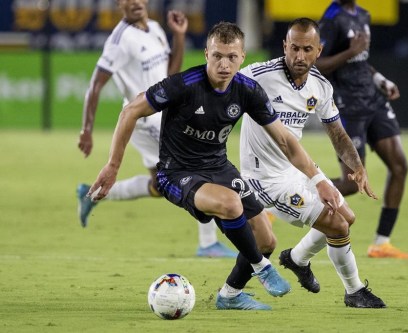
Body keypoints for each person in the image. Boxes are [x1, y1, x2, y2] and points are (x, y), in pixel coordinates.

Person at [86, 21, 341, 310]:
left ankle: (229, 296)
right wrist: (112, 166)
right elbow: (130, 111)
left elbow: (285, 140)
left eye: (231, 57)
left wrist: (318, 179)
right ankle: (262, 268)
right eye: (217, 55)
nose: (224, 64)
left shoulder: (248, 90)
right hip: (176, 172)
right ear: (206, 53)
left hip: (219, 168)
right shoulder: (183, 85)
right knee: (232, 205)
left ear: (242, 57)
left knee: (266, 239)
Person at [239, 17, 386, 308]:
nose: (299, 56)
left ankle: (297, 259)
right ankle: (354, 291)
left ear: (319, 50)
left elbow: (338, 133)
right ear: (284, 46)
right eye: (294, 48)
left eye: (307, 49)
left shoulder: (320, 86)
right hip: (264, 178)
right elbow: (221, 87)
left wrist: (357, 167)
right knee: (337, 226)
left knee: (348, 218)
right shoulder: (257, 75)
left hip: (296, 168)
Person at [76, 0, 236, 258]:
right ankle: (208, 243)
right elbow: (95, 84)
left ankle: (92, 194)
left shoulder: (154, 28)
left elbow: (170, 71)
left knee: (159, 185)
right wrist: (86, 129)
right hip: (145, 118)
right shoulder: (119, 41)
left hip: (163, 112)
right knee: (196, 165)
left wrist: (180, 35)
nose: (136, 2)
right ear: (119, 3)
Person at [315, 0, 408, 259]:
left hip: (373, 99)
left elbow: (361, 61)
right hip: (348, 106)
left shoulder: (363, 15)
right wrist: (350, 51)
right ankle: (282, 199)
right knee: (350, 185)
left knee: (400, 166)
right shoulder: (331, 18)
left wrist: (380, 79)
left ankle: (381, 243)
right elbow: (318, 63)